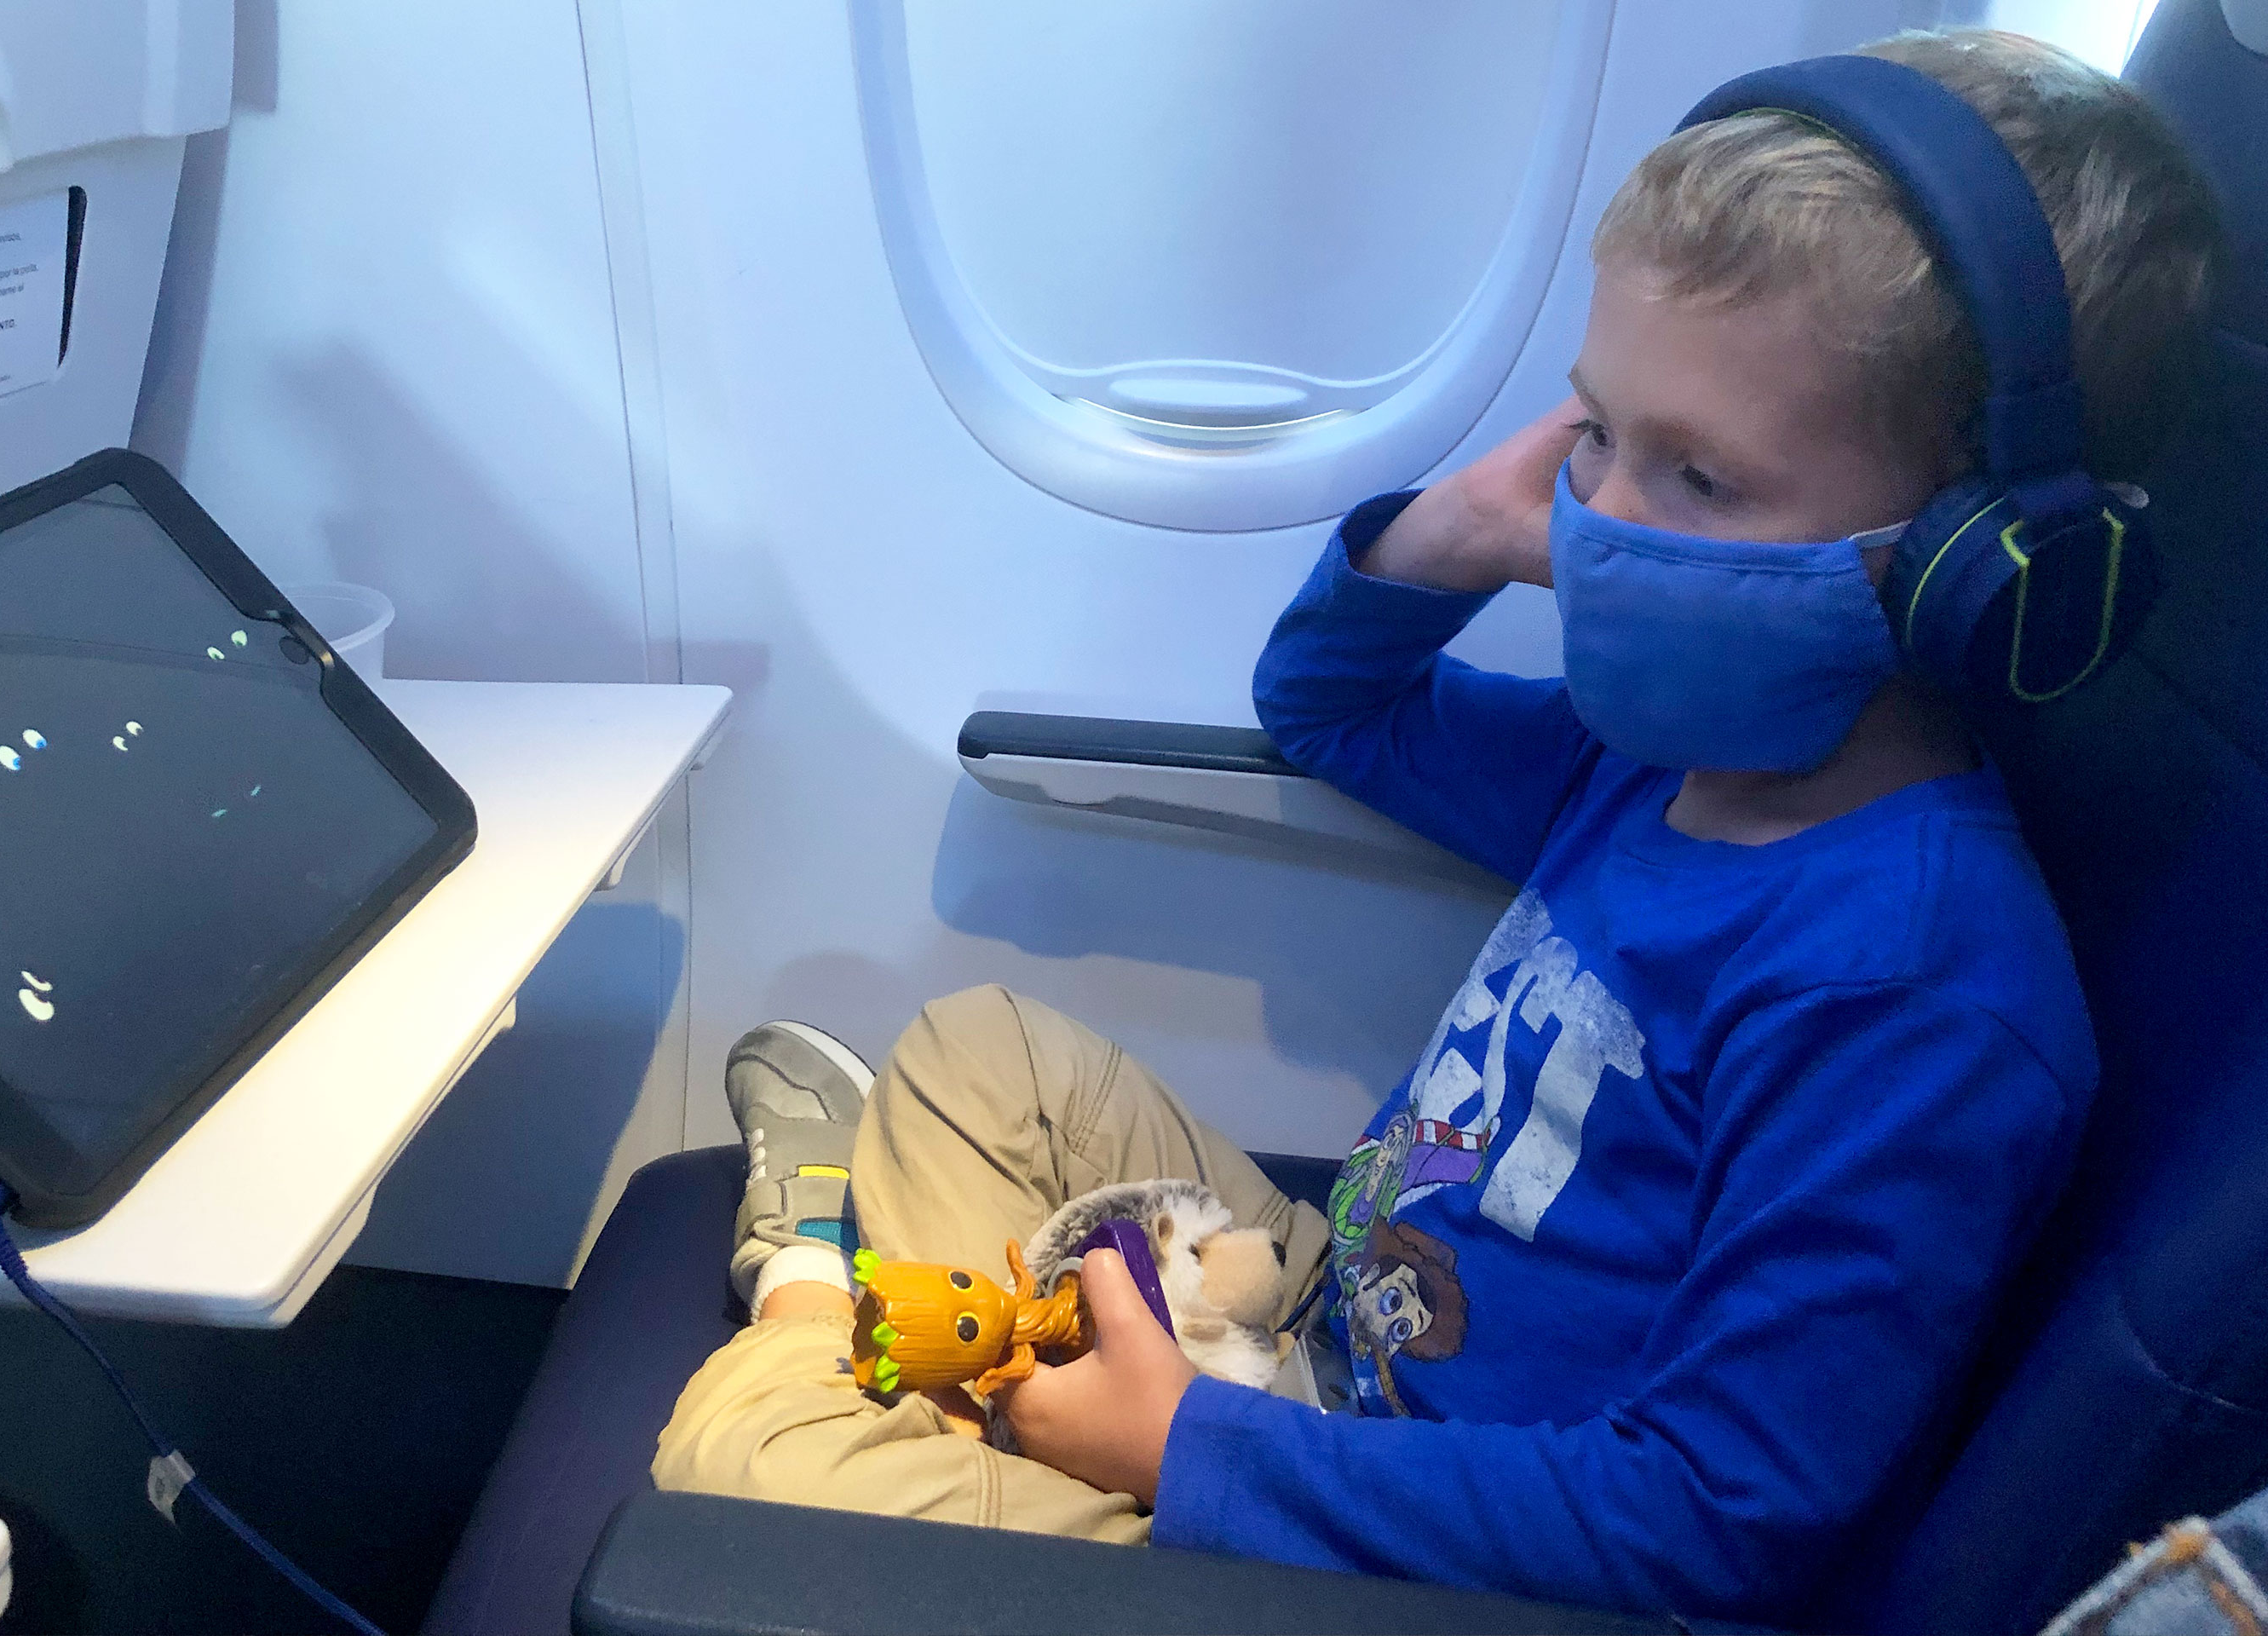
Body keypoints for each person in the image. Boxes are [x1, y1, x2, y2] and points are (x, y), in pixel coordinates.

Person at [653, 27, 2222, 1623]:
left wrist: (1190, 1451)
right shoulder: (1655, 757)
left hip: (1434, 1554)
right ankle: (983, 1403)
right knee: (984, 1049)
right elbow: (1330, 709)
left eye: (1702, 477)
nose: (1598, 522)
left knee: (735, 1465)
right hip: (1332, 1320)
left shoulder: (1913, 996)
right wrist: (1462, 526)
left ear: (1980, 573)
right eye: (1596, 431)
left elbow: (1710, 1526)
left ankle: (808, 1305)